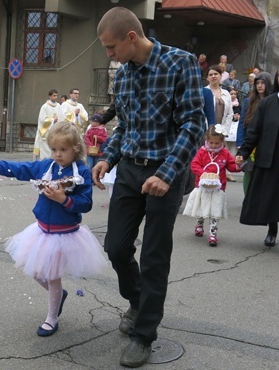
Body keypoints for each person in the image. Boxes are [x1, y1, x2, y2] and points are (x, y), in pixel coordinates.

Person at [93, 7, 205, 367]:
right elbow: (123, 126)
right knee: (116, 247)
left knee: (155, 256)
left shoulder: (180, 63)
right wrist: (107, 158)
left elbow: (193, 125)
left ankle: (144, 335)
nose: (109, 56)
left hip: (164, 174)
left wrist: (168, 174)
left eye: (111, 48)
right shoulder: (123, 76)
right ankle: (138, 301)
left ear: (131, 37)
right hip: (129, 172)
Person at [0, 122, 107, 337]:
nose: (58, 154)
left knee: (52, 275)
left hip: (64, 234)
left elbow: (86, 203)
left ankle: (51, 318)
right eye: (54, 149)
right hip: (42, 230)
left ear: (76, 149)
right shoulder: (46, 166)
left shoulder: (81, 172)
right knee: (35, 271)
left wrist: (64, 199)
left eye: (63, 150)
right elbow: (22, 169)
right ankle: (59, 294)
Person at [236, 63, 279, 256]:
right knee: (270, 196)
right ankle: (272, 231)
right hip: (269, 158)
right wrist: (244, 152)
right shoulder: (267, 103)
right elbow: (254, 131)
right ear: (277, 80)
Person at [183, 125, 240, 247]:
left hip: (218, 187)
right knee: (202, 206)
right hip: (202, 185)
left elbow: (231, 166)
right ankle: (200, 223)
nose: (214, 145)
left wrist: (238, 165)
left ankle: (213, 233)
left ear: (222, 142)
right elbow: (194, 165)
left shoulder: (224, 153)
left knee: (215, 209)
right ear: (207, 140)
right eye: (211, 143)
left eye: (217, 143)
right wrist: (203, 173)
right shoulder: (202, 152)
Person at [235, 72, 273, 194]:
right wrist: (240, 143)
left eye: (263, 83)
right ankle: (247, 198)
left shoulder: (273, 100)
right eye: (258, 83)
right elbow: (242, 124)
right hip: (250, 142)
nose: (260, 86)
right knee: (249, 170)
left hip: (266, 142)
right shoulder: (248, 101)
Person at [206, 65, 236, 182]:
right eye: (211, 74)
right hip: (207, 130)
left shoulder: (226, 93)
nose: (213, 76)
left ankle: (223, 174)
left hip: (222, 129)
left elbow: (230, 113)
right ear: (207, 78)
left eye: (216, 74)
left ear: (220, 76)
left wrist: (225, 130)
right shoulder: (204, 91)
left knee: (223, 154)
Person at [33, 89, 63, 160]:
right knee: (45, 154)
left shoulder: (58, 106)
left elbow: (61, 117)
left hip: (55, 132)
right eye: (54, 96)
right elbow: (42, 119)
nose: (55, 97)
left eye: (56, 96)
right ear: (50, 96)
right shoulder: (45, 107)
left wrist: (58, 121)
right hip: (46, 133)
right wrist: (52, 120)